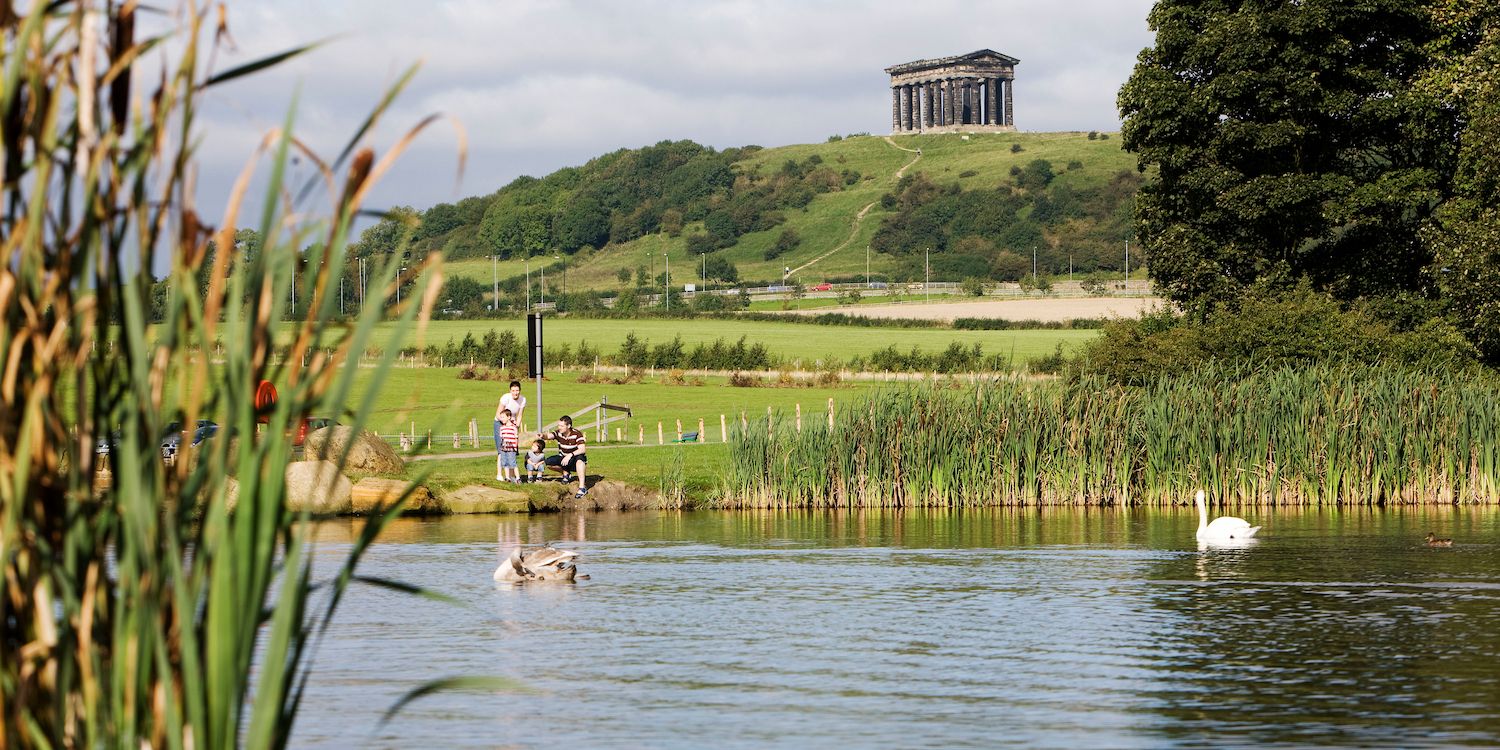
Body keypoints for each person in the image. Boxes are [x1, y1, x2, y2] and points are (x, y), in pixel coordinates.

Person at [545, 415, 588, 497]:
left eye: (561, 426)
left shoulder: (577, 434)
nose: (559, 427)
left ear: (568, 426)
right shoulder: (559, 433)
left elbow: (582, 449)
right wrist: (542, 436)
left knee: (580, 460)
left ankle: (582, 488)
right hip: (564, 459)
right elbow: (548, 436)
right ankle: (566, 473)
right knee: (548, 462)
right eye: (558, 425)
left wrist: (569, 455)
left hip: (574, 459)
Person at [495, 409, 520, 483]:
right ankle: (507, 477)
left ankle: (518, 478)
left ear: (509, 417)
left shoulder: (513, 427)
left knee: (512, 463)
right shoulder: (502, 428)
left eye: (503, 417)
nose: (501, 419)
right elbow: (502, 439)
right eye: (501, 417)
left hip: (511, 449)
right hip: (504, 448)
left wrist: (515, 448)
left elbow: (516, 438)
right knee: (504, 463)